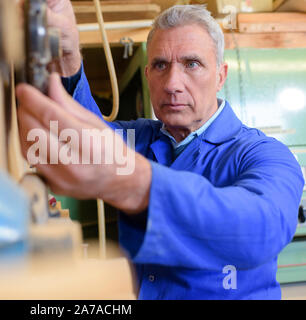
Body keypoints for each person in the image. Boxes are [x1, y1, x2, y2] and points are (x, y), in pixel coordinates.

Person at [16, 2, 305, 299]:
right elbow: (72, 141)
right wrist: (66, 56)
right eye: (160, 65)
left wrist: (135, 184)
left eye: (192, 64)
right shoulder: (140, 138)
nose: (172, 83)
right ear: (147, 74)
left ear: (220, 75)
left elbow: (260, 229)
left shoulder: (266, 155)